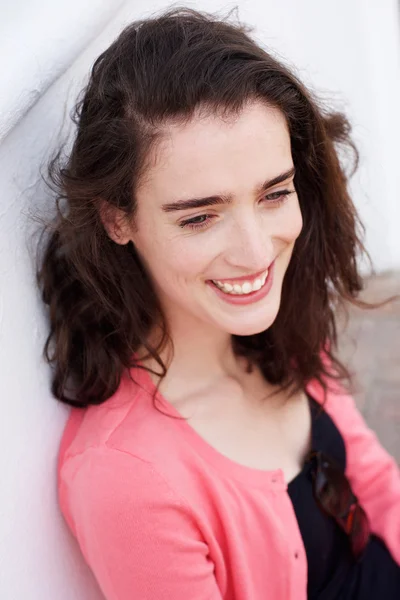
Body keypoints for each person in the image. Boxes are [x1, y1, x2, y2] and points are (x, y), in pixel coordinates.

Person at [36, 7, 400, 600]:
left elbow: (379, 487)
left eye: (274, 193)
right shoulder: (128, 479)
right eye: (201, 216)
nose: (256, 252)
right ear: (117, 218)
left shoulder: (285, 326)